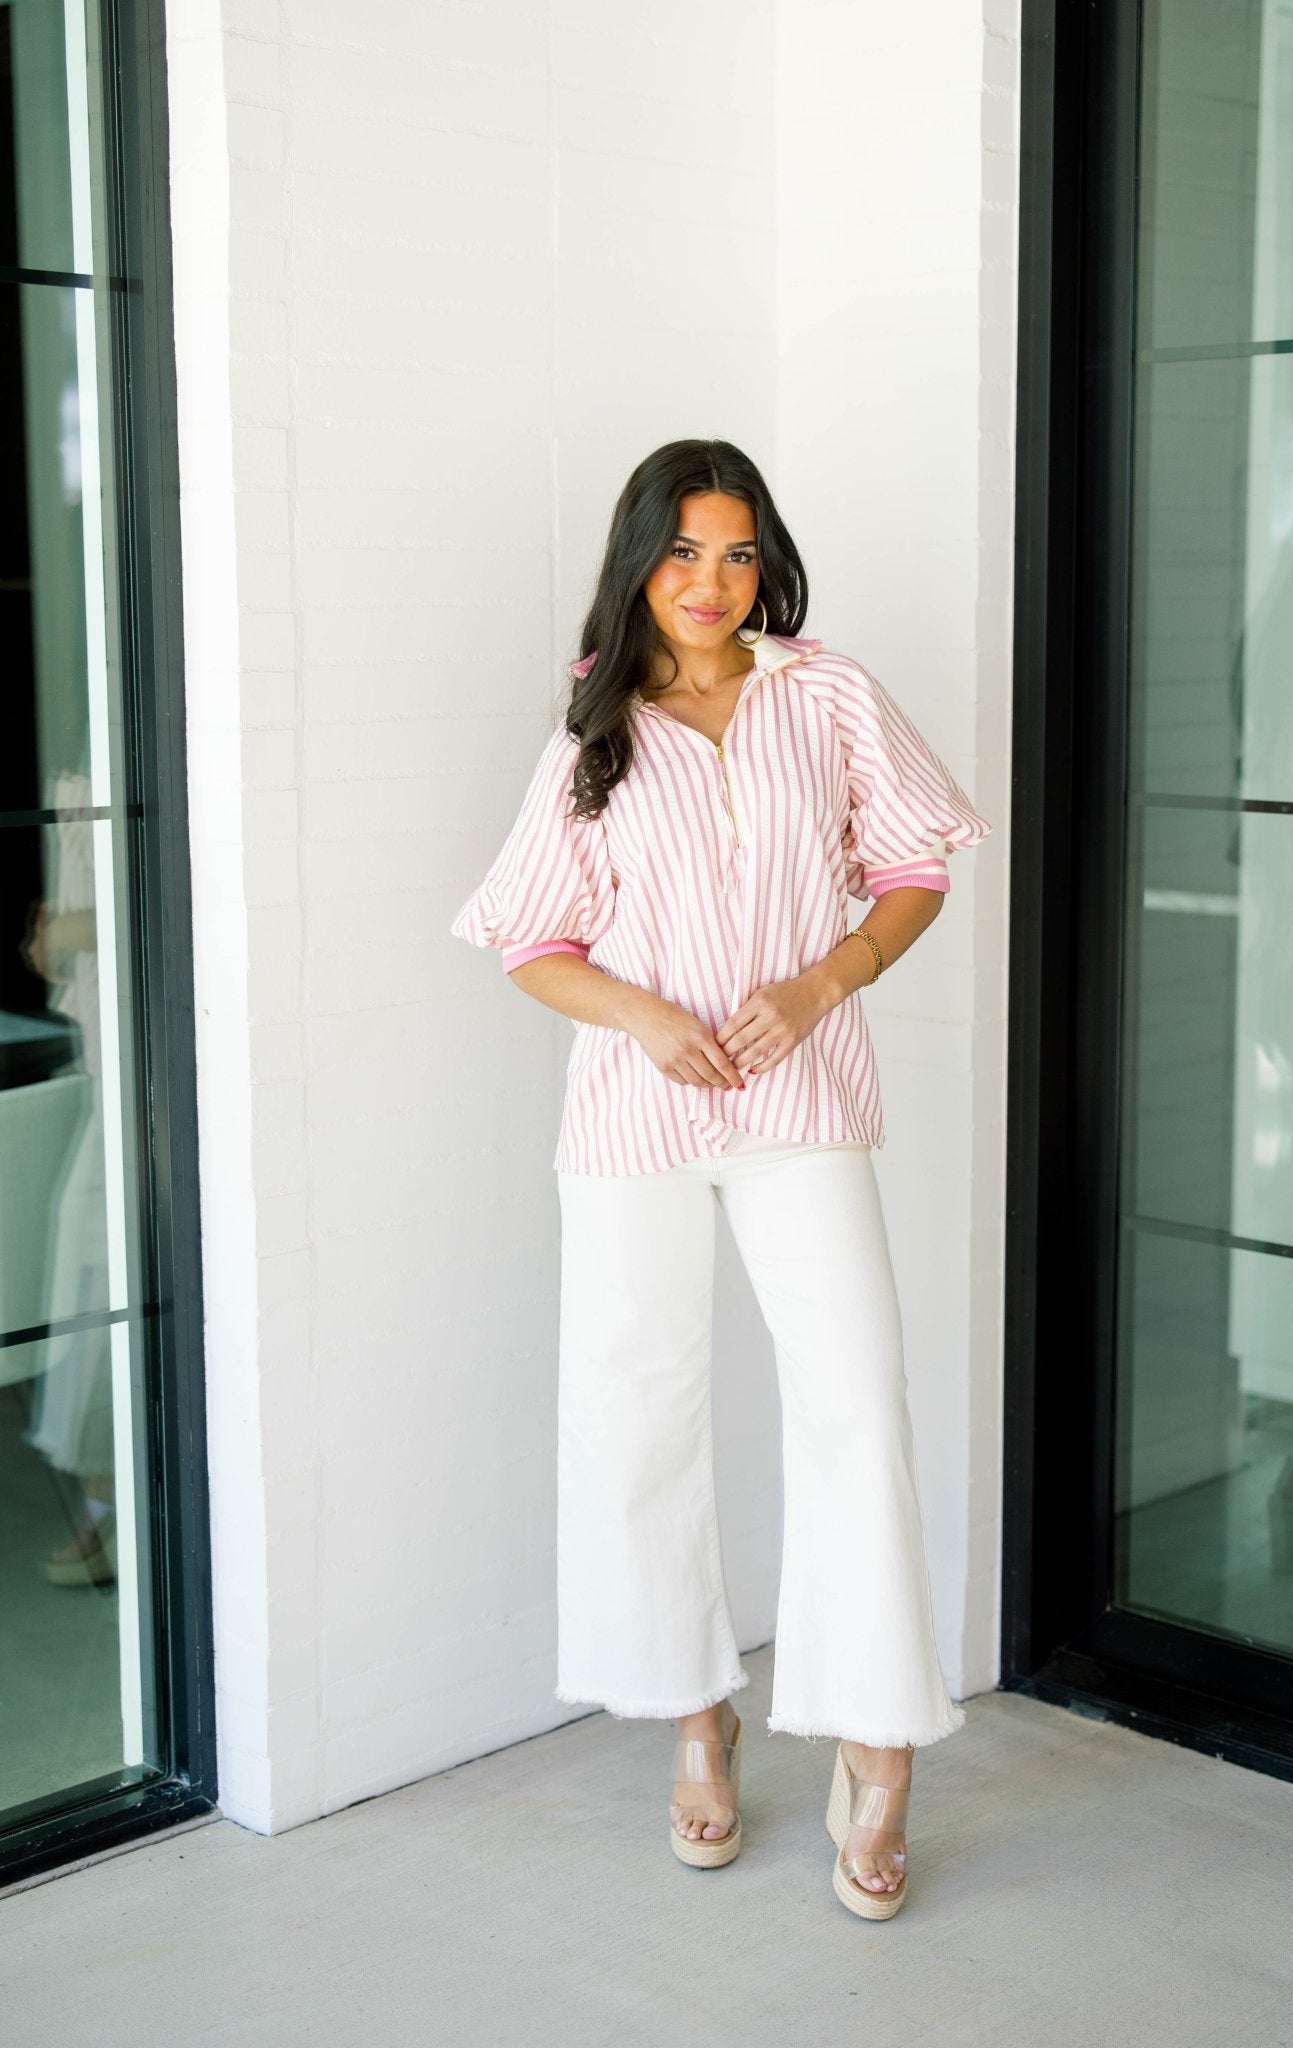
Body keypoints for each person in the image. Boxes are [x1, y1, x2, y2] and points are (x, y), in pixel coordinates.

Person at [451, 439, 992, 1920]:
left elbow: (917, 867)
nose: (710, 582)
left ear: (767, 563)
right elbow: (529, 940)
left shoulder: (828, 694)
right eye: (683, 552)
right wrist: (644, 1018)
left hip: (802, 1103)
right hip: (636, 1119)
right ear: (639, 562)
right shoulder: (595, 730)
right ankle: (699, 1720)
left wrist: (821, 984)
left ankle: (877, 1743)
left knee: (856, 1402)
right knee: (637, 1407)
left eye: (738, 552)